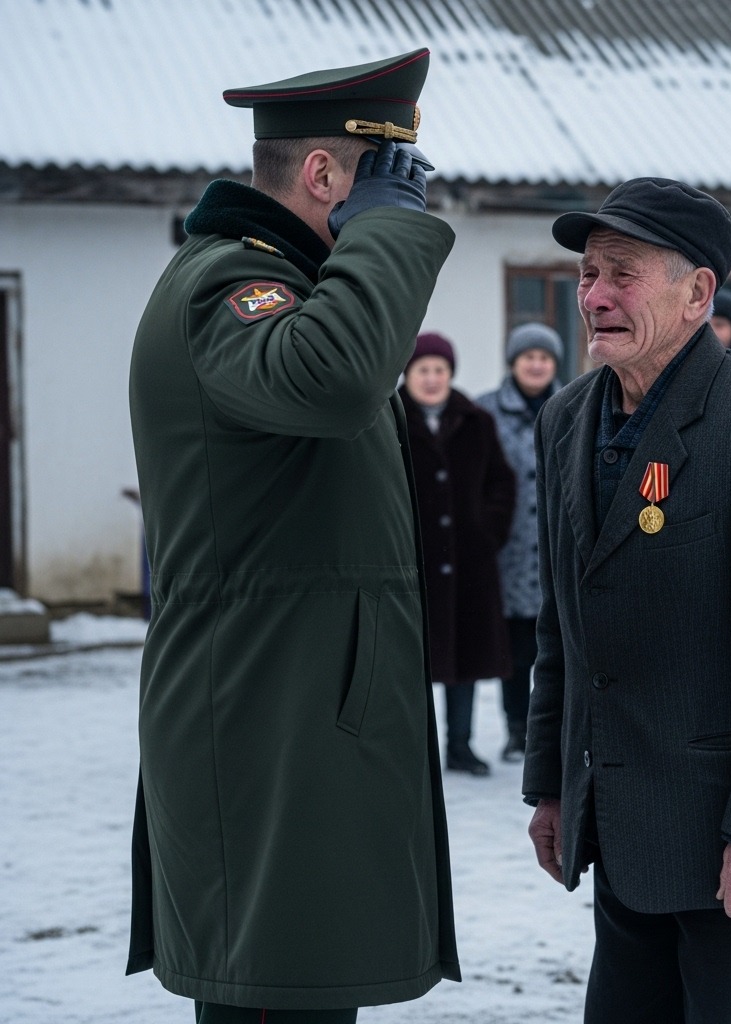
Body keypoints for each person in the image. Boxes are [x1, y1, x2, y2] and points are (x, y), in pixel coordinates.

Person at [126, 49, 461, 1022]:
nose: (405, 197)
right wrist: (388, 233)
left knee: (305, 990)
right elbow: (335, 380)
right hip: (267, 723)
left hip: (299, 715)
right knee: (276, 998)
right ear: (323, 175)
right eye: (385, 176)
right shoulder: (228, 286)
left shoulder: (290, 288)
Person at [523, 177, 731, 1024]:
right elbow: (564, 624)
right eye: (587, 273)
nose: (594, 296)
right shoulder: (566, 419)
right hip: (621, 837)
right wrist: (553, 786)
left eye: (623, 273)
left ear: (697, 293)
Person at [400, 332, 516, 776]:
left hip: (469, 562)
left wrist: (488, 530)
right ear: (408, 374)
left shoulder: (476, 421)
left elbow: (501, 481)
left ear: (451, 374)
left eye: (440, 370)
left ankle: (461, 746)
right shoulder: (389, 419)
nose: (431, 379)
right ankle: (414, 749)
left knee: (464, 660)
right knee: (411, 663)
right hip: (412, 563)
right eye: (423, 370)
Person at [476, 322, 563, 762]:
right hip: (508, 551)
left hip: (558, 546)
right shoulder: (485, 412)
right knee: (514, 651)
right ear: (513, 362)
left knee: (557, 650)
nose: (536, 365)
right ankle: (516, 730)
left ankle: (556, 734)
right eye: (528, 357)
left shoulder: (575, 405)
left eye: (544, 358)